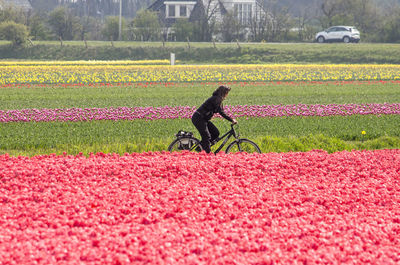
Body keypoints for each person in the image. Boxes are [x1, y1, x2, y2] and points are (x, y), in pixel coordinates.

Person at [191, 85, 237, 153]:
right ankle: (207, 153)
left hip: (204, 119)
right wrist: (231, 120)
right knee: (206, 136)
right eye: (227, 92)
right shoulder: (216, 99)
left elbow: (222, 111)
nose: (227, 94)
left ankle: (200, 148)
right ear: (223, 92)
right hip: (198, 118)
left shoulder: (219, 99)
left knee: (215, 133)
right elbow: (221, 112)